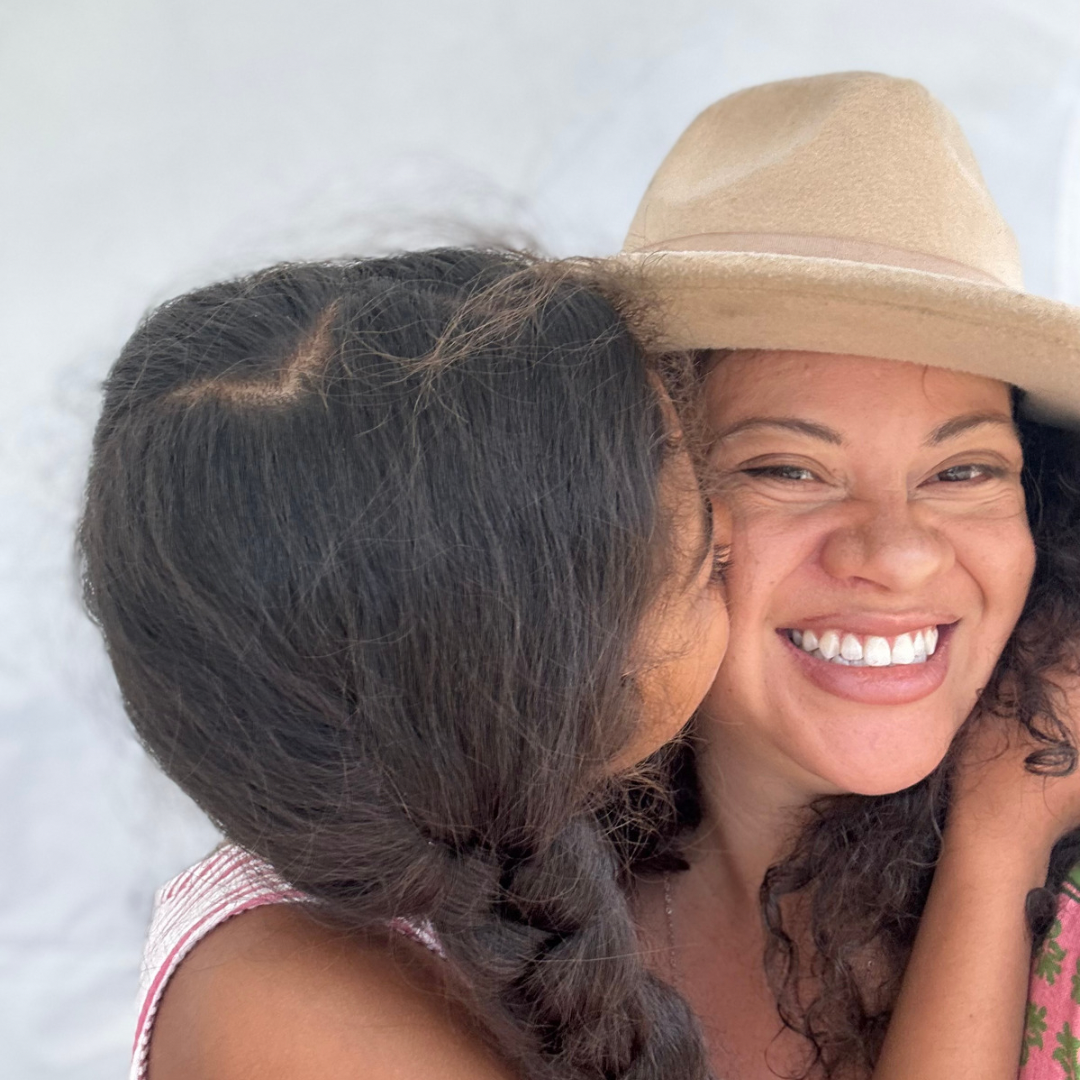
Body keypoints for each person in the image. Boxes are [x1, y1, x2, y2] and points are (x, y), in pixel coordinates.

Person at [81, 243, 1080, 1080]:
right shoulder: (287, 990)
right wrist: (1000, 840)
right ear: (496, 611)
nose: (715, 531)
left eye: (965, 470)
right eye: (774, 469)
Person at [613, 71, 1080, 1078]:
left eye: (964, 471)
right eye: (788, 469)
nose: (899, 553)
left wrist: (1005, 832)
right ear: (628, 504)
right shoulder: (445, 921)